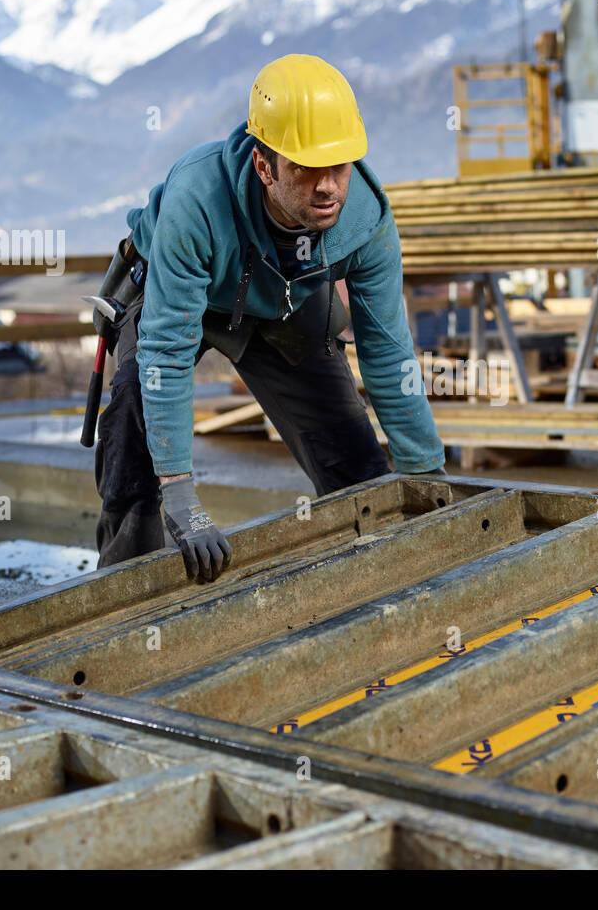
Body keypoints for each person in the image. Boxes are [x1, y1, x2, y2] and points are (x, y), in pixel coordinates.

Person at [94, 54, 446, 582]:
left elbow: (388, 350)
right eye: (306, 169)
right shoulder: (197, 200)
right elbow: (165, 352)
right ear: (264, 167)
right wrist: (182, 493)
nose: (328, 186)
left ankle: (379, 577)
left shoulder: (365, 221)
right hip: (184, 289)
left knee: (353, 455)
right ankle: (126, 590)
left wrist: (424, 471)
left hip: (282, 300)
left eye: (339, 166)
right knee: (133, 410)